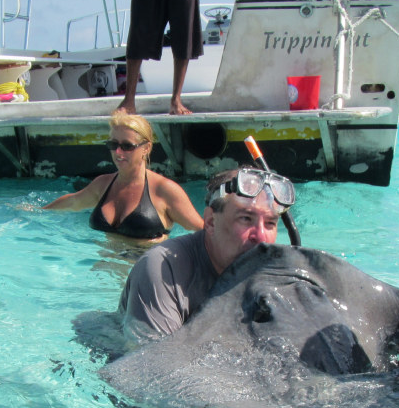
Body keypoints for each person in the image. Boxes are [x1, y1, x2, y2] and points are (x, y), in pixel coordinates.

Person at [118, 165, 294, 346]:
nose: (261, 237)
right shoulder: (162, 269)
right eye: (246, 219)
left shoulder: (279, 274)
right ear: (210, 222)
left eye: (270, 223)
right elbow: (151, 364)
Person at [44, 111, 203, 241]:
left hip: (144, 273)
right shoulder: (103, 184)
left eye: (127, 146)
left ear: (146, 148)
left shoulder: (164, 190)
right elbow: (73, 202)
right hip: (103, 273)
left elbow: (203, 231)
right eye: (113, 145)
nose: (118, 152)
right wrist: (36, 211)